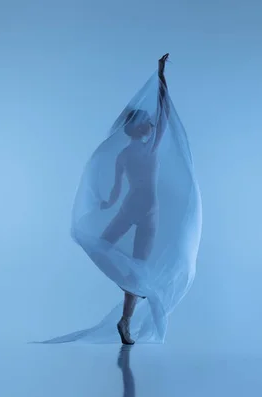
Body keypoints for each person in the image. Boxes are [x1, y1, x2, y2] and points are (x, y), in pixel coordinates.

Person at [99, 53, 170, 345]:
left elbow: (116, 192)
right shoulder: (144, 149)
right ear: (139, 127)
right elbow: (164, 114)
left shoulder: (129, 152)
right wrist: (161, 76)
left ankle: (125, 321)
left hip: (138, 210)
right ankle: (126, 312)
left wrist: (161, 76)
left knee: (128, 264)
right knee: (131, 267)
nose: (152, 125)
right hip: (145, 211)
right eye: (148, 123)